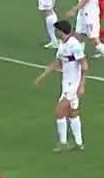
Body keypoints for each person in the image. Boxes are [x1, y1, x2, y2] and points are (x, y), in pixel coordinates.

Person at [35, 19, 87, 152]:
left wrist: (81, 85)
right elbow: (57, 62)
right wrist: (42, 77)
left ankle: (63, 142)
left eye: (57, 30)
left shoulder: (74, 45)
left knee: (59, 111)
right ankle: (79, 143)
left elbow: (84, 64)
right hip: (66, 82)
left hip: (73, 84)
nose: (56, 32)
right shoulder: (62, 44)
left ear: (61, 31)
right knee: (72, 113)